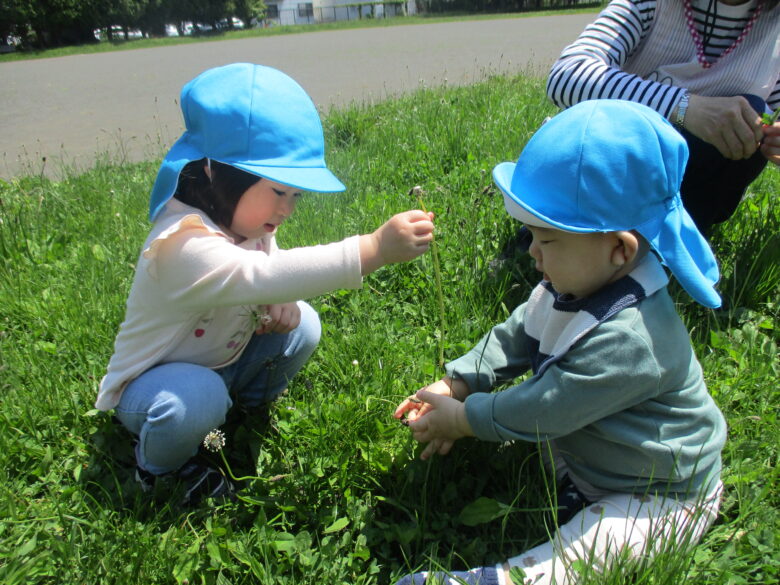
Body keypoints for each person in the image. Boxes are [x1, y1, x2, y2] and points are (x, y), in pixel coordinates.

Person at [393, 100, 726, 585]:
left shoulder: (633, 338)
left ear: (619, 249)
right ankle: (575, 490)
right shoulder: (571, 283)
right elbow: (516, 334)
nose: (530, 252)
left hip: (660, 489)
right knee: (547, 451)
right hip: (594, 447)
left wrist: (466, 421)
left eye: (545, 239)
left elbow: (546, 407)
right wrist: (458, 383)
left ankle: (507, 580)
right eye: (530, 235)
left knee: (592, 552)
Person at [96, 63, 435, 506]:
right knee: (195, 400)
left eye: (295, 196)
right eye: (278, 191)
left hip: (223, 363)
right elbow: (259, 276)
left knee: (303, 326)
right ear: (217, 172)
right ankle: (160, 469)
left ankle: (241, 411)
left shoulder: (248, 223)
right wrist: (372, 249)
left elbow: (268, 274)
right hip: (156, 390)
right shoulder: (181, 245)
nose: (288, 209)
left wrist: (281, 301)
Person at [546, 0, 780, 234]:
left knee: (751, 111)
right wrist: (685, 107)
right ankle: (573, 226)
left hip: (687, 187)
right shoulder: (651, 4)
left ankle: (669, 243)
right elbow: (567, 75)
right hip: (607, 170)